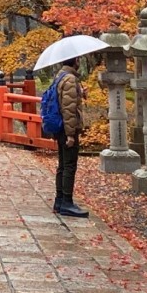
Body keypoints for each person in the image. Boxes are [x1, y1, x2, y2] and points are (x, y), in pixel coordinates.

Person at [53, 57, 89, 217]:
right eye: (78, 59)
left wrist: (80, 93)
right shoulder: (70, 79)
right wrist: (70, 135)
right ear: (74, 61)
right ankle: (67, 202)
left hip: (59, 127)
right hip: (67, 128)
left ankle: (59, 200)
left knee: (62, 164)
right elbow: (68, 110)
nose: (80, 62)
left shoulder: (60, 76)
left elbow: (65, 99)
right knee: (69, 165)